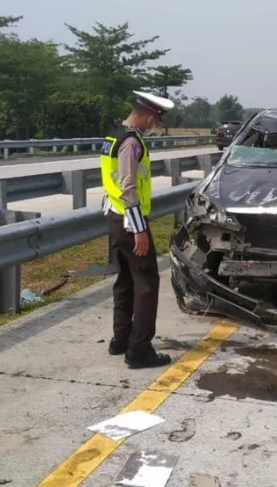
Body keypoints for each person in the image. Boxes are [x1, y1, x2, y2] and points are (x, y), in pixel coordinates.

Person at [100, 90, 174, 369]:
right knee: (146, 284)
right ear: (151, 116)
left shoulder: (113, 135)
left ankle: (120, 339)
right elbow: (128, 187)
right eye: (156, 120)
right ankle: (140, 349)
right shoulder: (132, 142)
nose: (153, 126)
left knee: (126, 280)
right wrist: (140, 230)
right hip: (131, 221)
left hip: (114, 217)